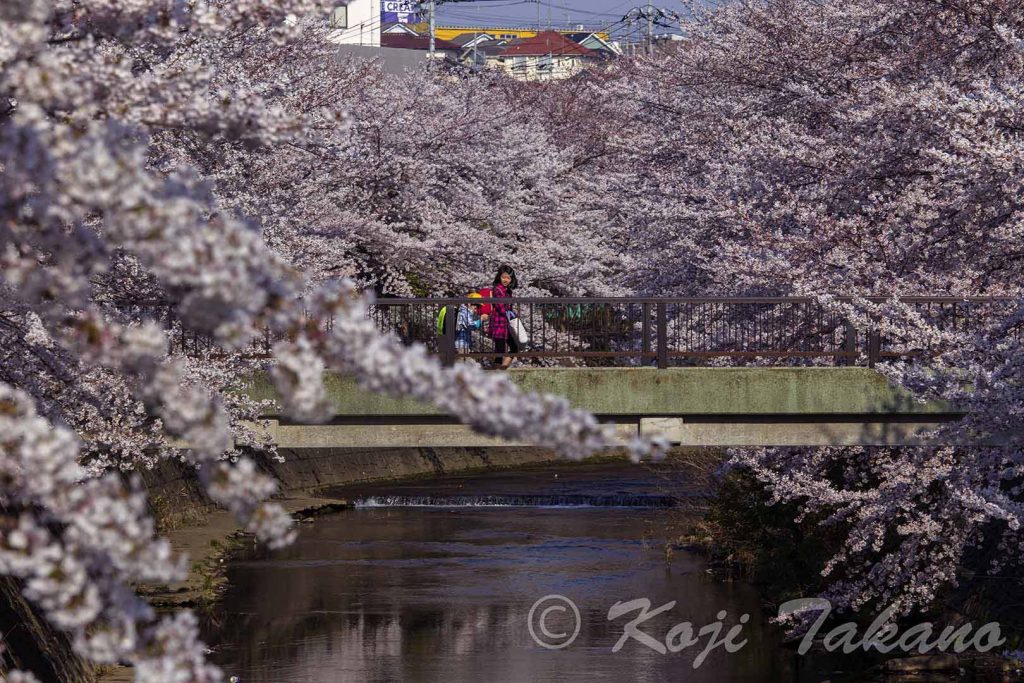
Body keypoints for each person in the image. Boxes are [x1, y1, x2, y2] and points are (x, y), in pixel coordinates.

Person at [487, 264, 519, 370]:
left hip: (507, 324)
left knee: (515, 346)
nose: (506, 280)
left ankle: (502, 368)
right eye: (503, 277)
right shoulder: (498, 289)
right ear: (499, 277)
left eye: (508, 278)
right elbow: (500, 307)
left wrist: (512, 315)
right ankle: (498, 371)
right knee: (500, 350)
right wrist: (509, 314)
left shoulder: (508, 291)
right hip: (499, 323)